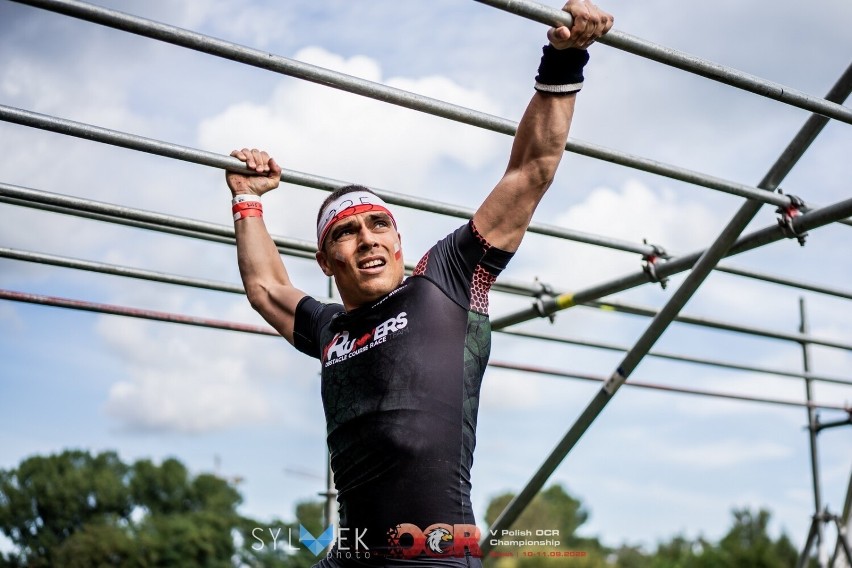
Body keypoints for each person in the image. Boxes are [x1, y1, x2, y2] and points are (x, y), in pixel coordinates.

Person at [226, 1, 612, 565]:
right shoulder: (329, 328)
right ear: (326, 261)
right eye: (347, 233)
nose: (369, 239)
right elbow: (265, 288)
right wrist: (245, 198)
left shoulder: (444, 281)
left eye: (380, 224)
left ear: (401, 241)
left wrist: (566, 59)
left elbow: (530, 172)